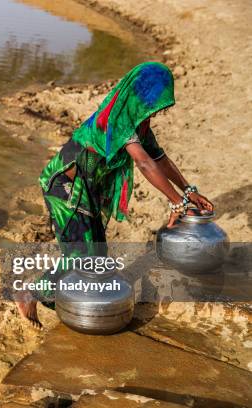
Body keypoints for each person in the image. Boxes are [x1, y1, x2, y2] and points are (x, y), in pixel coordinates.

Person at [16, 62, 214, 327]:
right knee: (81, 258)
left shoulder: (140, 124)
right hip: (64, 189)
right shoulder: (118, 120)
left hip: (87, 191)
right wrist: (177, 202)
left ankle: (62, 299)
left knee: (96, 256)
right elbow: (144, 164)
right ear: (143, 94)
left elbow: (159, 158)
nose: (161, 107)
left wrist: (188, 191)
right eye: (157, 99)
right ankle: (29, 294)